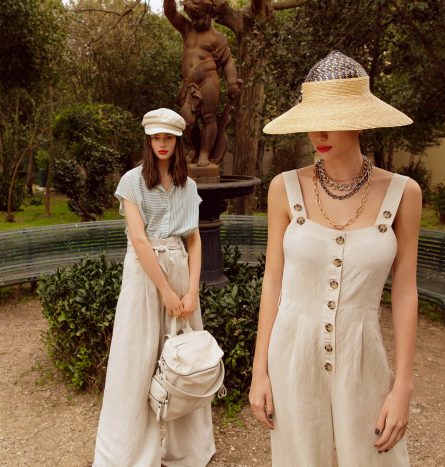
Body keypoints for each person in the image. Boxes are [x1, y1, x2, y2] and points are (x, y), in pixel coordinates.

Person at [249, 51, 421, 466]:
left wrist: (402, 386)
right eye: (312, 119)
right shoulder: (284, 189)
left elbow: (405, 290)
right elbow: (273, 281)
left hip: (363, 356)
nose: (318, 132)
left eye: (333, 118)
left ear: (360, 121)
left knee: (374, 459)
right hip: (292, 354)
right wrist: (260, 372)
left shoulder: (403, 194)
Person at [93, 108, 216, 467]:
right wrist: (165, 290)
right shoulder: (132, 182)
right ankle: (128, 455)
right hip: (144, 274)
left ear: (177, 142)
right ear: (148, 140)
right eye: (156, 137)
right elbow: (139, 240)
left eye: (168, 138)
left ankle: (188, 451)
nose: (162, 144)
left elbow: (194, 240)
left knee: (187, 357)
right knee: (135, 357)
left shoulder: (188, 186)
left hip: (179, 268)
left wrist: (191, 291)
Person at [164, 0, 241, 167]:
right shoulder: (187, 29)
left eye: (201, 18)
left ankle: (204, 153)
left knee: (208, 117)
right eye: (194, 18)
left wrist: (232, 83)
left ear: (211, 14)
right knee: (187, 121)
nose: (197, 22)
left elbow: (228, 62)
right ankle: (196, 149)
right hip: (189, 83)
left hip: (208, 79)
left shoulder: (217, 38)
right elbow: (170, 13)